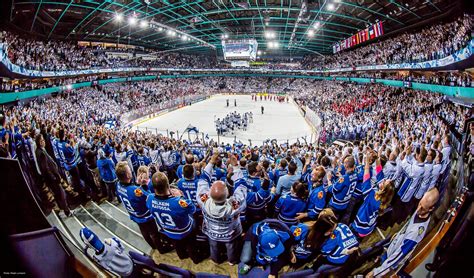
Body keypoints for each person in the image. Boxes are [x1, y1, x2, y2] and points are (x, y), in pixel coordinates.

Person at [370, 188, 440, 277]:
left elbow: (397, 257)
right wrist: (400, 234)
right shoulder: (420, 211)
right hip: (391, 249)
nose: (418, 209)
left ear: (431, 208)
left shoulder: (416, 233)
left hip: (390, 262)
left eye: (422, 208)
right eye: (419, 204)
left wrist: (376, 272)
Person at [197, 154, 247, 265]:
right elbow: (242, 187)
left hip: (211, 231)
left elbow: (203, 181)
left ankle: (215, 260)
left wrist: (211, 162)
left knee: (213, 246)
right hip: (230, 233)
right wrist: (236, 166)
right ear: (228, 194)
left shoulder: (203, 201)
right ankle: (232, 261)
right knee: (231, 248)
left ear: (209, 193)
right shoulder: (234, 206)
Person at [147, 171, 199, 262]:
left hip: (168, 230)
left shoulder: (149, 199)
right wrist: (181, 196)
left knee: (177, 245)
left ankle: (182, 256)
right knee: (191, 244)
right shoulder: (178, 202)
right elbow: (193, 209)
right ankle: (195, 259)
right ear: (168, 185)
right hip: (184, 230)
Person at [115, 161, 161, 251]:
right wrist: (143, 185)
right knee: (154, 233)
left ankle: (152, 246)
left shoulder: (118, 185)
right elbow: (150, 197)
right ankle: (160, 248)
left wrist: (137, 184)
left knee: (144, 231)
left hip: (134, 215)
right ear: (128, 175)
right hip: (145, 216)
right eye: (129, 170)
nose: (131, 170)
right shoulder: (135, 190)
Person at [34, 134, 72, 216]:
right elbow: (45, 169)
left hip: (51, 179)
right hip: (52, 179)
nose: (44, 141)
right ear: (40, 142)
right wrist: (54, 177)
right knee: (61, 194)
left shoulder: (39, 151)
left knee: (58, 194)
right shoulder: (41, 153)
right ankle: (67, 211)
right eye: (43, 140)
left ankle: (63, 210)